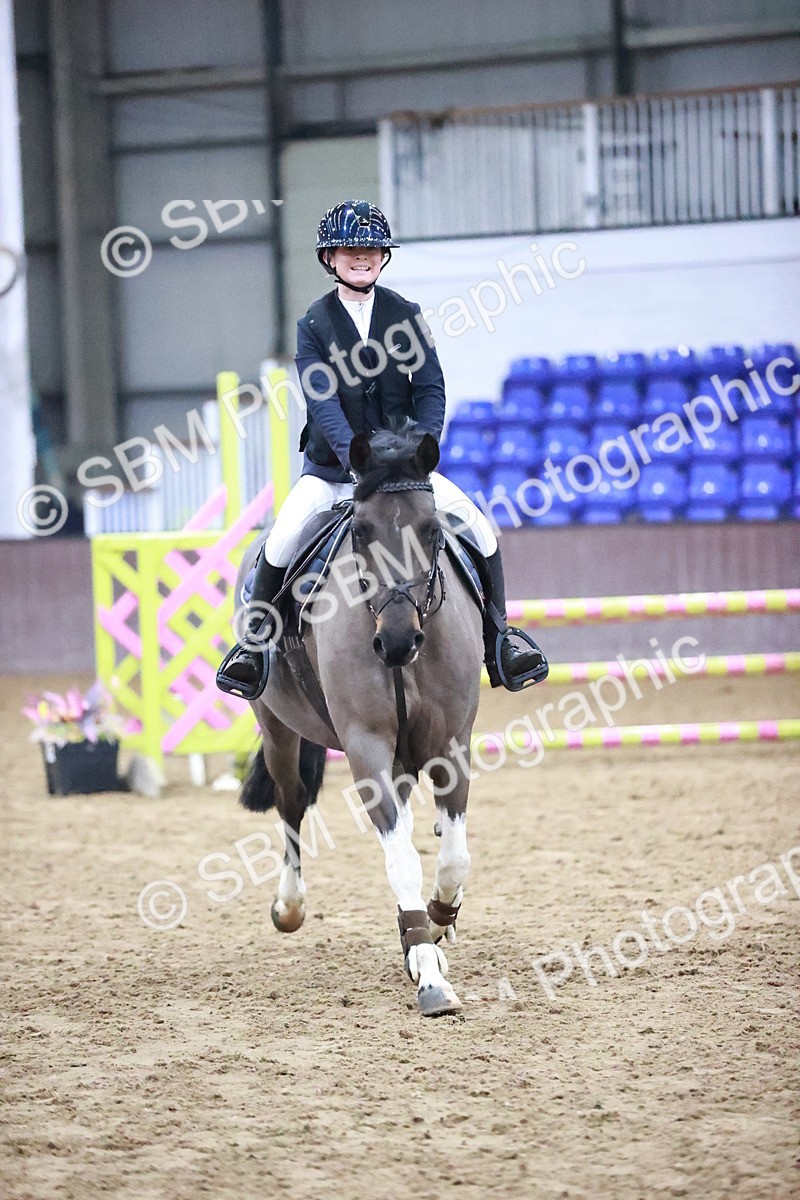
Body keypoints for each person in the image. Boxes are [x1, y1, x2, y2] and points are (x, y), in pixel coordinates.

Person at [216, 199, 547, 700]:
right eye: (351, 249)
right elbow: (322, 400)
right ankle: (256, 649)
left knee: (479, 528)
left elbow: (430, 387)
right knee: (282, 539)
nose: (363, 256)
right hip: (334, 470)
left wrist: (421, 446)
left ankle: (500, 638)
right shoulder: (313, 325)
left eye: (371, 248)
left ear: (383, 256)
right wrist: (356, 457)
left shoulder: (406, 315)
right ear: (331, 258)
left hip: (404, 472)